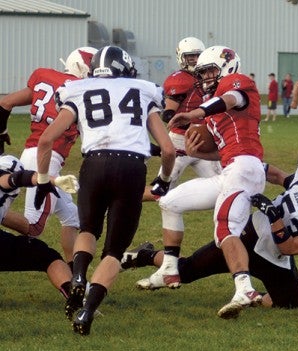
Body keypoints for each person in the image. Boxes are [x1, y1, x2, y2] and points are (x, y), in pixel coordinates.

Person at [34, 45, 176, 335]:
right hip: (132, 167)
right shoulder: (143, 89)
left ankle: (78, 276)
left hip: (94, 164)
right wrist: (162, 179)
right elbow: (169, 149)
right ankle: (86, 312)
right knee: (113, 251)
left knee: (87, 229)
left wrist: (41, 178)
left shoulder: (77, 89)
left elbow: (45, 140)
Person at [124, 159, 298, 312]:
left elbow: (288, 247)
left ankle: (253, 298)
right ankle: (144, 255)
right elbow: (280, 176)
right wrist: (254, 169)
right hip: (248, 237)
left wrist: (273, 215)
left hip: (274, 256)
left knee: (290, 300)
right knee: (185, 271)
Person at [136, 45, 265, 319]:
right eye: (202, 72)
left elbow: (229, 99)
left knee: (224, 230)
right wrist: (197, 152)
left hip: (245, 168)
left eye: (210, 71)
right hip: (231, 168)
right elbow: (222, 151)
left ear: (227, 66)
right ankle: (170, 268)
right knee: (170, 202)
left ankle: (245, 288)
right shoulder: (216, 108)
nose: (206, 77)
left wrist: (195, 115)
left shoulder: (237, 85)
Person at [0, 46, 98, 266]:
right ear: (82, 66)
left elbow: (5, 103)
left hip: (32, 154)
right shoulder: (81, 90)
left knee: (72, 216)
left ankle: (75, 275)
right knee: (34, 227)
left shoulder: (45, 77)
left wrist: (2, 131)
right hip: (46, 159)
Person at [142, 37, 221, 201]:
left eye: (197, 55)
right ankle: (124, 197)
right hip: (179, 141)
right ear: (181, 57)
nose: (194, 59)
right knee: (160, 191)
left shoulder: (206, 76)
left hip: (201, 139)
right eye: (190, 56)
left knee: (222, 186)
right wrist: (188, 122)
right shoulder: (180, 79)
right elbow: (168, 114)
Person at [0, 154, 79, 299]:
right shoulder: (6, 177)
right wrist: (52, 180)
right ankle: (74, 298)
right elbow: (14, 179)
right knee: (46, 256)